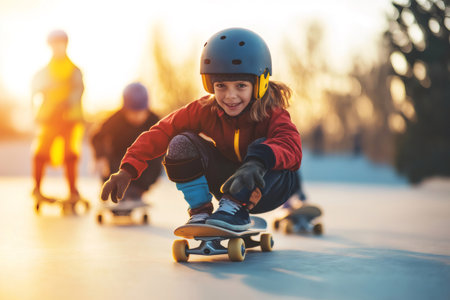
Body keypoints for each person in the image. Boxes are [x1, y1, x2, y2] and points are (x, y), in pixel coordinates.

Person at [101, 28, 302, 231]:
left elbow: (291, 146)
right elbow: (162, 132)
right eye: (221, 86)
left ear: (260, 83)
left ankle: (235, 207)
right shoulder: (205, 109)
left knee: (262, 147)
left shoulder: (272, 113)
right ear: (210, 84)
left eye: (241, 85)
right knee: (181, 142)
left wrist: (258, 162)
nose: (230, 96)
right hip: (227, 185)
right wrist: (127, 169)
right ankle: (200, 211)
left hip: (271, 187)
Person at [31, 29, 85, 203]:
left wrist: (66, 103)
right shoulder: (45, 71)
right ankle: (37, 189)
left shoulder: (74, 70)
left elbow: (78, 90)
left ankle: (73, 191)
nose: (57, 48)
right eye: (54, 45)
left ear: (65, 45)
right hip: (49, 119)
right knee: (40, 153)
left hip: (69, 119)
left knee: (70, 155)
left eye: (59, 44)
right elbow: (35, 90)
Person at [91, 82, 163, 204]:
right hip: (118, 160)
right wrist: (100, 156)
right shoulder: (116, 119)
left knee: (156, 159)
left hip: (144, 163)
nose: (137, 117)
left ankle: (137, 190)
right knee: (114, 161)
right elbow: (96, 136)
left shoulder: (154, 120)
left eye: (140, 112)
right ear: (125, 109)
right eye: (133, 112)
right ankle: (114, 188)